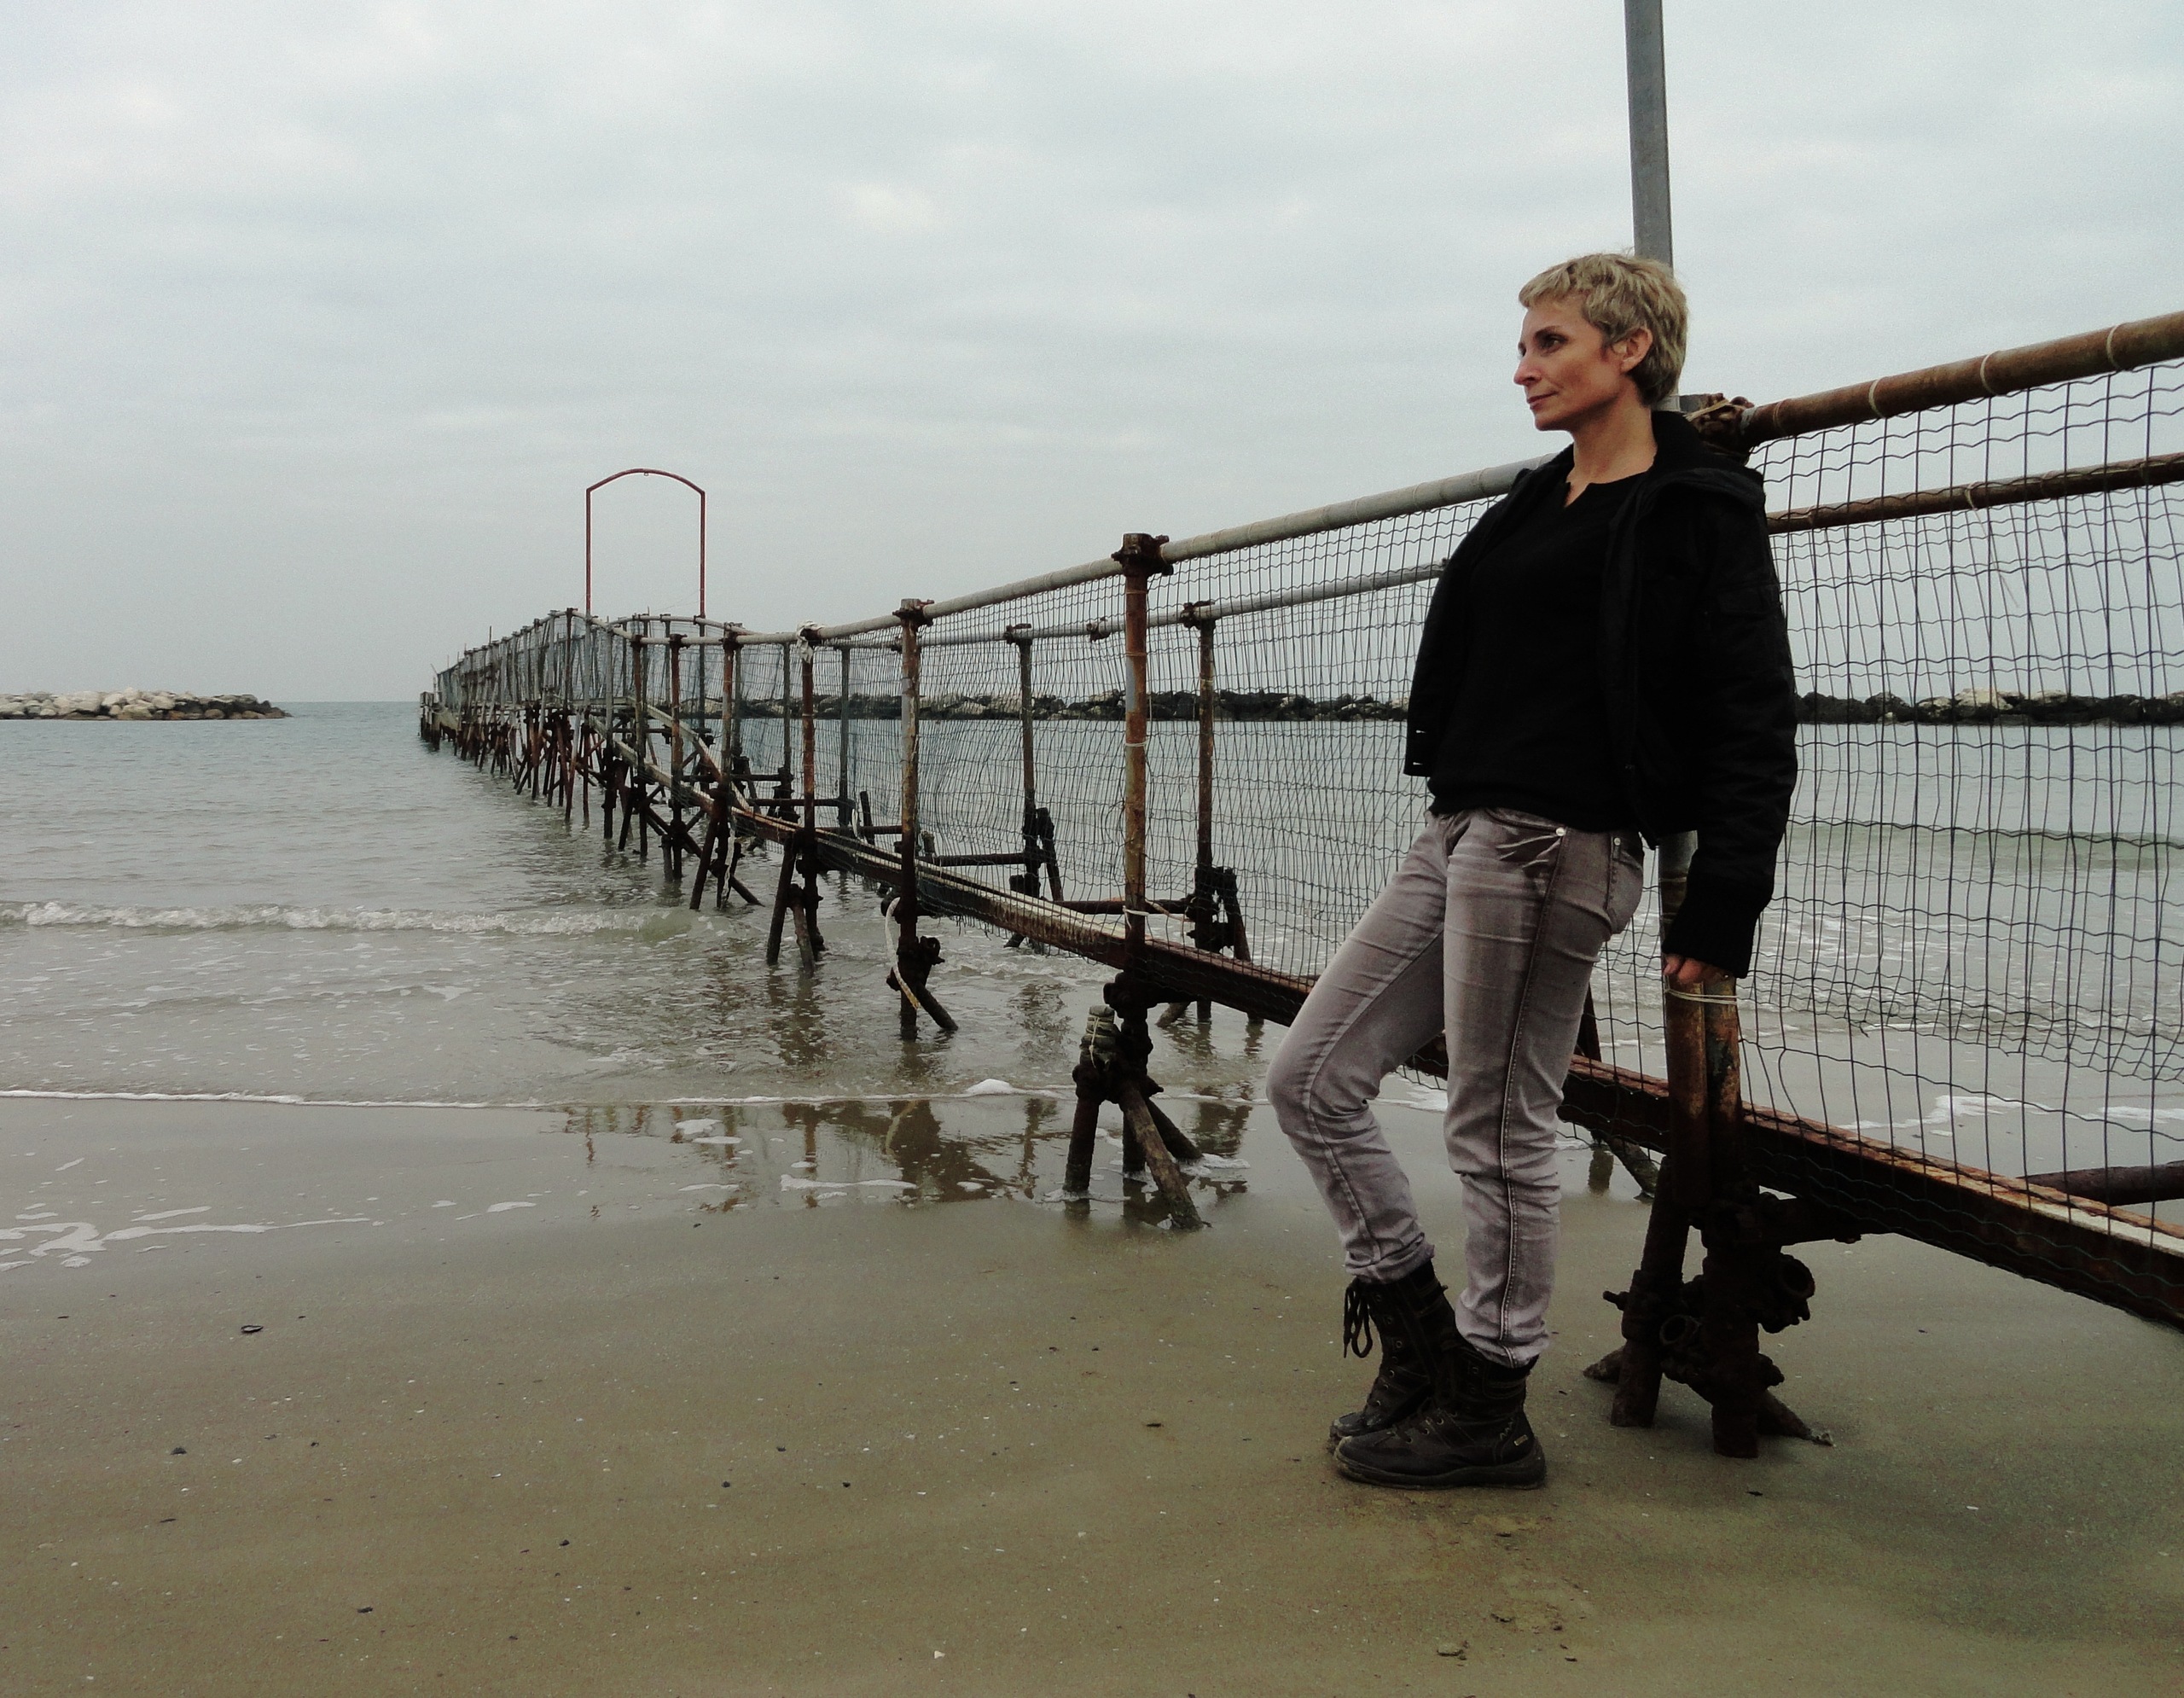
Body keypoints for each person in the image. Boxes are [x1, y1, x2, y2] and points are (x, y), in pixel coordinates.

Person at [1267, 252, 1798, 1490]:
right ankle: (1420, 1342)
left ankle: (1491, 1399)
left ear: (1630, 349)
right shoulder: (1534, 499)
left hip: (1562, 845)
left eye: (1550, 343)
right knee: (1311, 1079)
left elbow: (1753, 713)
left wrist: (1728, 898)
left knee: (1497, 1125)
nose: (1523, 369)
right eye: (1524, 345)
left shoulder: (1695, 508)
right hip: (1460, 830)